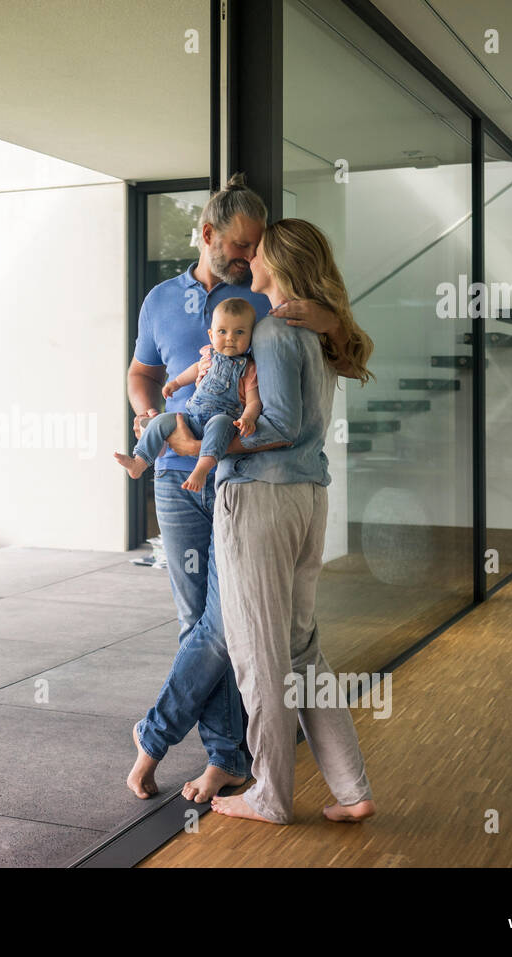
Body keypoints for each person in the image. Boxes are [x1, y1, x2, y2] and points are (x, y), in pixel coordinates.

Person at [124, 174, 356, 804]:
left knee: (229, 630)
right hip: (177, 480)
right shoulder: (159, 301)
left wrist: (333, 317)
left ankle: (164, 743)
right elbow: (143, 372)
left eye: (258, 247)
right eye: (240, 244)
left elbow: (323, 337)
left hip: (237, 477)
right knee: (195, 621)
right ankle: (226, 758)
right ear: (208, 235)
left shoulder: (262, 300)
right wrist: (149, 417)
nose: (248, 255)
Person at [200, 218, 378, 825]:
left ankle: (270, 795)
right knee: (302, 653)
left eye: (257, 253)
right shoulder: (317, 333)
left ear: (276, 260)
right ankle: (352, 791)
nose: (247, 261)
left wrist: (210, 448)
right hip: (307, 500)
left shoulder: (276, 331)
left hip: (262, 503)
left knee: (257, 654)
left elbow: (277, 426)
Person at [115, 298, 261, 493]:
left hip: (222, 422)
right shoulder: (208, 355)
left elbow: (254, 401)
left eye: (240, 332)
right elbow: (193, 370)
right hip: (192, 419)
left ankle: (201, 469)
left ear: (251, 337)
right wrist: (175, 383)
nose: (230, 338)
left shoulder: (249, 368)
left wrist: (247, 418)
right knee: (161, 421)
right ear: (211, 335)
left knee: (220, 423)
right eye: (222, 331)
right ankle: (139, 461)